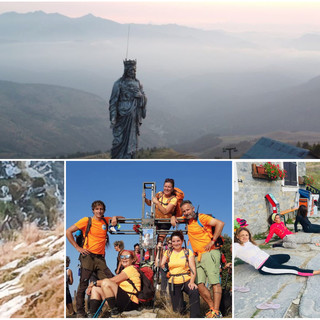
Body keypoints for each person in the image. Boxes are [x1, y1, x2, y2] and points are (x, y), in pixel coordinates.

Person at [66, 200, 118, 318]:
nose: (99, 211)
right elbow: (68, 231)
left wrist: (114, 217)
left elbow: (122, 218)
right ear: (93, 210)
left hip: (100, 258)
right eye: (97, 209)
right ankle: (80, 312)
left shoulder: (106, 220)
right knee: (83, 284)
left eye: (101, 209)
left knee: (109, 280)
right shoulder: (86, 220)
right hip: (88, 256)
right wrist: (78, 248)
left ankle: (111, 309)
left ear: (104, 211)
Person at [181, 200, 225, 319]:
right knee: (198, 284)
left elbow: (220, 223)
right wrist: (174, 217)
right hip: (197, 256)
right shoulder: (188, 221)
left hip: (210, 253)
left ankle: (216, 311)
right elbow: (176, 217)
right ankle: (213, 309)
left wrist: (212, 241)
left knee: (214, 282)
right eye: (184, 211)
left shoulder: (202, 217)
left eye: (188, 209)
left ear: (193, 208)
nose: (186, 212)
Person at [235, 227, 320, 276]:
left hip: (269, 258)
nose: (245, 237)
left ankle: (278, 267)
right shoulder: (236, 246)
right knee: (293, 269)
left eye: (246, 235)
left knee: (287, 256)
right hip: (265, 266)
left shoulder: (249, 242)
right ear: (237, 236)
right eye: (242, 235)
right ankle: (316, 272)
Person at [109, 59, 147, 159]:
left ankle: (129, 157)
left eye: (134, 70)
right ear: (126, 70)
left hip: (133, 116)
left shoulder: (138, 83)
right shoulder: (118, 84)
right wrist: (113, 117)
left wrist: (141, 97)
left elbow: (144, 96)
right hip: (122, 115)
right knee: (119, 140)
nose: (133, 72)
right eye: (130, 70)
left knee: (132, 141)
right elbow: (113, 102)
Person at [86, 250, 141, 316]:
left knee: (106, 282)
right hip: (123, 300)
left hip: (131, 302)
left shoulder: (131, 269)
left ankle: (115, 312)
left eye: (127, 256)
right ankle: (92, 314)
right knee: (95, 289)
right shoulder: (125, 270)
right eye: (122, 256)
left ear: (133, 259)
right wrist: (93, 285)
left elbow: (113, 280)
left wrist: (94, 283)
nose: (124, 258)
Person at [161, 231, 200, 318]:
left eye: (178, 241)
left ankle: (195, 316)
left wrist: (192, 282)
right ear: (171, 242)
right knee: (178, 310)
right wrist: (166, 270)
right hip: (173, 281)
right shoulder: (168, 252)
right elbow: (161, 264)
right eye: (173, 241)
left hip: (186, 279)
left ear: (182, 241)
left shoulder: (187, 252)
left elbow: (193, 268)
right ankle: (183, 305)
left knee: (194, 291)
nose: (176, 243)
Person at [144, 178, 178, 243]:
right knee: (148, 238)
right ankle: (150, 252)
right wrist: (145, 198)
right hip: (156, 220)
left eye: (169, 187)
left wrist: (157, 203)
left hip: (165, 222)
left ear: (172, 189)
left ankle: (159, 252)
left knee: (160, 240)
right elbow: (150, 203)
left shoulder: (174, 199)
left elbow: (165, 211)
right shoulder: (159, 194)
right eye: (165, 186)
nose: (166, 188)